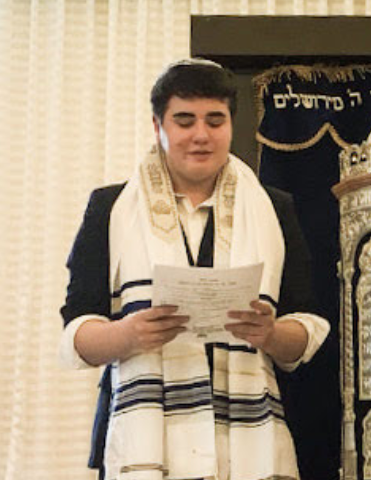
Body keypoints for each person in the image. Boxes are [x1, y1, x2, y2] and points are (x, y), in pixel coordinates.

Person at [58, 59, 330, 480]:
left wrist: (272, 335)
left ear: (230, 126)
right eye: (184, 121)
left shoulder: (275, 208)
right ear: (157, 126)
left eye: (214, 121)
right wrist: (127, 334)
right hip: (145, 440)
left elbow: (307, 325)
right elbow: (75, 333)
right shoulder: (110, 207)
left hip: (250, 439)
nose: (200, 135)